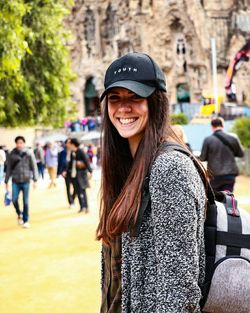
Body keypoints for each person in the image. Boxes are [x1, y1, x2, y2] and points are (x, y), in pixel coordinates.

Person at [96, 52, 207, 312]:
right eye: (115, 98)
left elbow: (179, 292)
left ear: (156, 102)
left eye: (135, 97)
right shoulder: (129, 168)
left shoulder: (169, 169)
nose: (123, 107)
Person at [200, 117, 244, 192]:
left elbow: (202, 158)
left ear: (212, 126)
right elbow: (241, 154)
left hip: (214, 175)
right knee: (228, 197)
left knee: (216, 199)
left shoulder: (208, 140)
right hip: (230, 174)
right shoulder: (233, 138)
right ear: (222, 125)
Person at [5, 136, 38, 228]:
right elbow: (8, 169)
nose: (19, 144)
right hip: (15, 180)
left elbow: (34, 166)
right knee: (14, 199)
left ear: (24, 143)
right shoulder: (12, 154)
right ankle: (19, 213)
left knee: (26, 202)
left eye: (21, 143)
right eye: (18, 143)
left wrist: (35, 179)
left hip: (26, 180)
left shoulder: (29, 153)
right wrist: (6, 181)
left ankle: (25, 220)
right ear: (16, 143)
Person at [68, 138, 92, 213]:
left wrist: (90, 171)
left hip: (81, 174)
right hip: (74, 174)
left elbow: (86, 161)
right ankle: (82, 206)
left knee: (83, 191)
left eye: (70, 143)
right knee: (78, 191)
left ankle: (86, 206)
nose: (68, 145)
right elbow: (71, 164)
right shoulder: (72, 152)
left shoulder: (80, 151)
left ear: (73, 144)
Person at [58, 138, 76, 208]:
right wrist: (61, 172)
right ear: (65, 144)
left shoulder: (74, 151)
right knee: (68, 187)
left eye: (70, 142)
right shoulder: (62, 152)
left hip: (73, 172)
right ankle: (70, 202)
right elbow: (60, 163)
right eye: (68, 142)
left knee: (76, 188)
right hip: (65, 173)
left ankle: (72, 199)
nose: (69, 144)